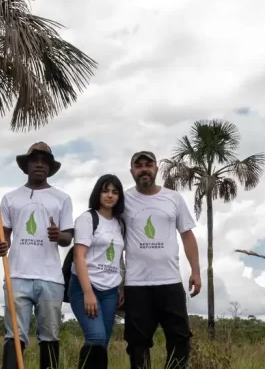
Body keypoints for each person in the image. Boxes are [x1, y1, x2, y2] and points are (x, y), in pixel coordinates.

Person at [0, 142, 74, 369]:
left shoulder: (62, 198)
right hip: (17, 275)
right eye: (35, 160)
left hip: (51, 279)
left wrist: (58, 235)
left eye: (44, 161)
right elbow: (4, 237)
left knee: (50, 336)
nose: (39, 164)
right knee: (15, 336)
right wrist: (0, 246)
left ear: (50, 167)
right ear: (26, 165)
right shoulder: (10, 198)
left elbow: (68, 237)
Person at [123, 151, 201, 369]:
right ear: (132, 172)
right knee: (137, 344)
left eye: (149, 164)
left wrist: (196, 271)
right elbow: (114, 239)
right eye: (138, 166)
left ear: (156, 169)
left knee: (180, 339)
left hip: (170, 281)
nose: (144, 169)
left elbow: (187, 235)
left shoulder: (173, 198)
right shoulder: (124, 200)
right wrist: (119, 280)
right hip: (136, 284)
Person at [68, 174, 127, 369]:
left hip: (110, 291)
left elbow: (120, 258)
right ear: (98, 193)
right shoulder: (87, 218)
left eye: (114, 192)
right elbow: (79, 256)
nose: (110, 195)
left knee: (103, 342)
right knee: (96, 337)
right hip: (85, 287)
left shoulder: (120, 224)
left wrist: (122, 287)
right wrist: (88, 293)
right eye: (105, 191)